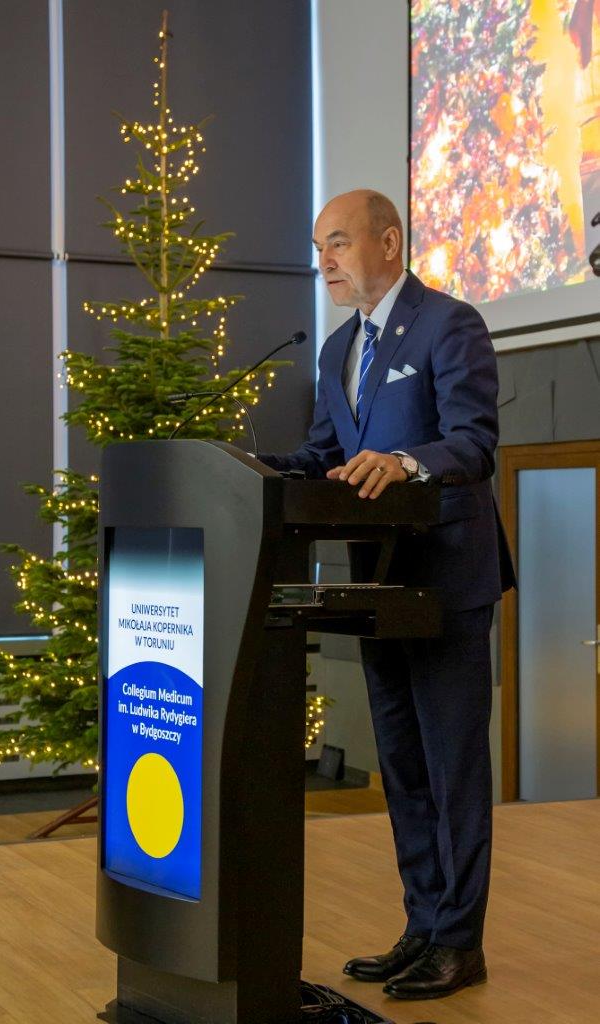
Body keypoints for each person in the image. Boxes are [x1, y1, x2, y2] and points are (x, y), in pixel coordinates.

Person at [260, 189, 515, 1001]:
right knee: (402, 769)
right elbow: (322, 454)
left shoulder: (449, 324)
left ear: (390, 242)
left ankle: (459, 942)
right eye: (318, 248)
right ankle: (422, 926)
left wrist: (405, 462)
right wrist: (249, 468)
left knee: (451, 770)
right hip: (378, 583)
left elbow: (474, 442)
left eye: (338, 242)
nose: (324, 261)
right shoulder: (341, 347)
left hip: (446, 581)